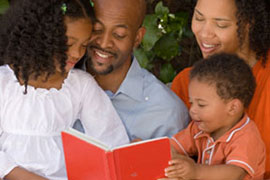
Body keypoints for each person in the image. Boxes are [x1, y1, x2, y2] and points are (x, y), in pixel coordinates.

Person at [0, 0, 129, 179]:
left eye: (84, 45)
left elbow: (111, 138)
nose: (77, 53)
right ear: (40, 37)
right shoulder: (4, 83)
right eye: (68, 43)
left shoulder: (81, 85)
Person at [171, 0, 270, 177]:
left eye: (221, 24)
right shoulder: (188, 82)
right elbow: (178, 148)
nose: (204, 33)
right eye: (199, 18)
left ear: (248, 24)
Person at [74, 0, 189, 141]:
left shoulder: (166, 113)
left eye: (119, 35)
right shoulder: (59, 81)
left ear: (137, 38)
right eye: (96, 29)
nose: (104, 43)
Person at [159, 53, 265, 180]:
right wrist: (153, 152)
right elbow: (172, 147)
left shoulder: (247, 137)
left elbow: (234, 174)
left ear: (233, 108)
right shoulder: (199, 127)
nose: (192, 110)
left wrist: (195, 171)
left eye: (201, 105)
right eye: (191, 102)